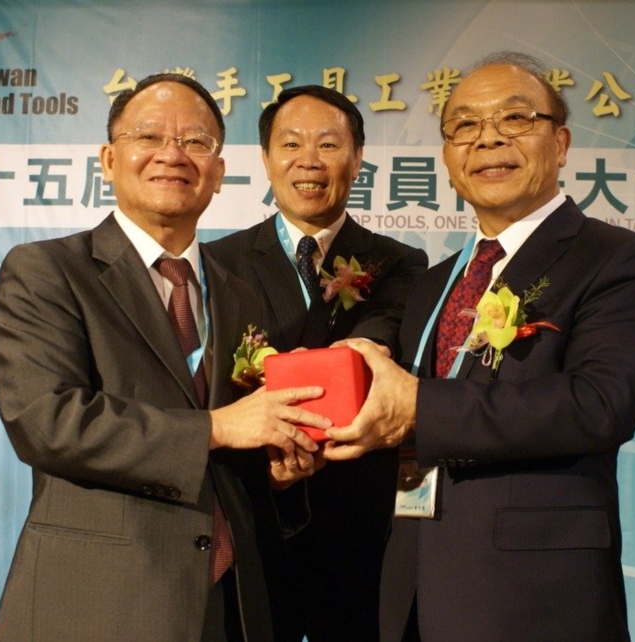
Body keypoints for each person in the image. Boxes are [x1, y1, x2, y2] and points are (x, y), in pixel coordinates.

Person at [323, 52, 635, 641]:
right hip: (410, 585)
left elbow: (600, 404)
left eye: (514, 119)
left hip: (534, 596)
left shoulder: (617, 259)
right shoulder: (435, 281)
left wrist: (419, 407)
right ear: (447, 156)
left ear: (560, 143)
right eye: (464, 125)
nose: (487, 140)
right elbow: (403, 426)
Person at [0, 72, 331, 642]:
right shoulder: (47, 270)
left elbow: (237, 443)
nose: (173, 155)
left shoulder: (240, 293)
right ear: (108, 158)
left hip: (229, 604)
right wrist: (216, 429)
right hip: (95, 603)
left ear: (219, 174)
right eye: (149, 136)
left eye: (196, 143)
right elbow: (46, 421)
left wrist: (274, 470)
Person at [205, 85, 427, 641]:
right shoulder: (218, 262)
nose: (309, 160)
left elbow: (380, 337)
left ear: (356, 159)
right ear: (265, 159)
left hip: (361, 523)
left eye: (328, 144)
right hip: (258, 520)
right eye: (291, 143)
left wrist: (332, 361)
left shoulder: (398, 260)